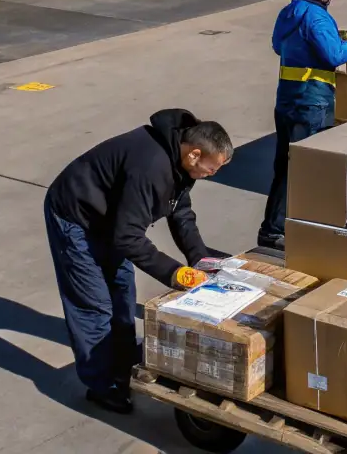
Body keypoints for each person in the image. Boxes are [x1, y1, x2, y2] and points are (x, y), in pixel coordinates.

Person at [44, 109, 232, 414]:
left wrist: (200, 259)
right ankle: (101, 384)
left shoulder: (180, 160)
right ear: (195, 155)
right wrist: (174, 273)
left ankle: (123, 364)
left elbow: (179, 210)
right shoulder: (151, 166)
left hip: (111, 221)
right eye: (211, 169)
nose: (212, 175)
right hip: (76, 216)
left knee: (122, 293)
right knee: (94, 304)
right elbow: (128, 238)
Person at [257, 0, 347, 249]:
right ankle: (301, 229)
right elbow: (335, 55)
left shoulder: (289, 11)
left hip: (287, 100)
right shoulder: (317, 18)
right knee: (309, 167)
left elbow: (278, 46)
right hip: (312, 101)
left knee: (286, 166)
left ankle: (273, 228)